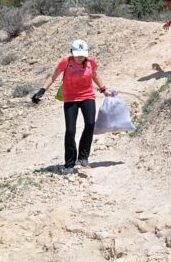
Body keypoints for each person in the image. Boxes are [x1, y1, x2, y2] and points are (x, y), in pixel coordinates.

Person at [31, 39, 112, 175]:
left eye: (83, 55)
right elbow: (53, 77)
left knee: (90, 124)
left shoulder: (90, 62)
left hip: (87, 96)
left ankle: (83, 157)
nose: (80, 58)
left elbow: (94, 75)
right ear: (72, 52)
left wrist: (103, 89)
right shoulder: (66, 62)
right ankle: (69, 164)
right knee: (70, 130)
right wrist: (41, 90)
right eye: (77, 55)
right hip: (70, 98)